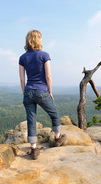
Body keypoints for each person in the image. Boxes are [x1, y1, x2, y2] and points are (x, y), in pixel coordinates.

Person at [19, 30, 66, 160]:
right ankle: (57, 138)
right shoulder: (44, 55)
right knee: (54, 113)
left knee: (31, 120)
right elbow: (48, 76)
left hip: (28, 91)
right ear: (39, 40)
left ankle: (34, 149)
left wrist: (25, 93)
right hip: (41, 91)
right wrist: (50, 91)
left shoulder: (22, 57)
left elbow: (22, 79)